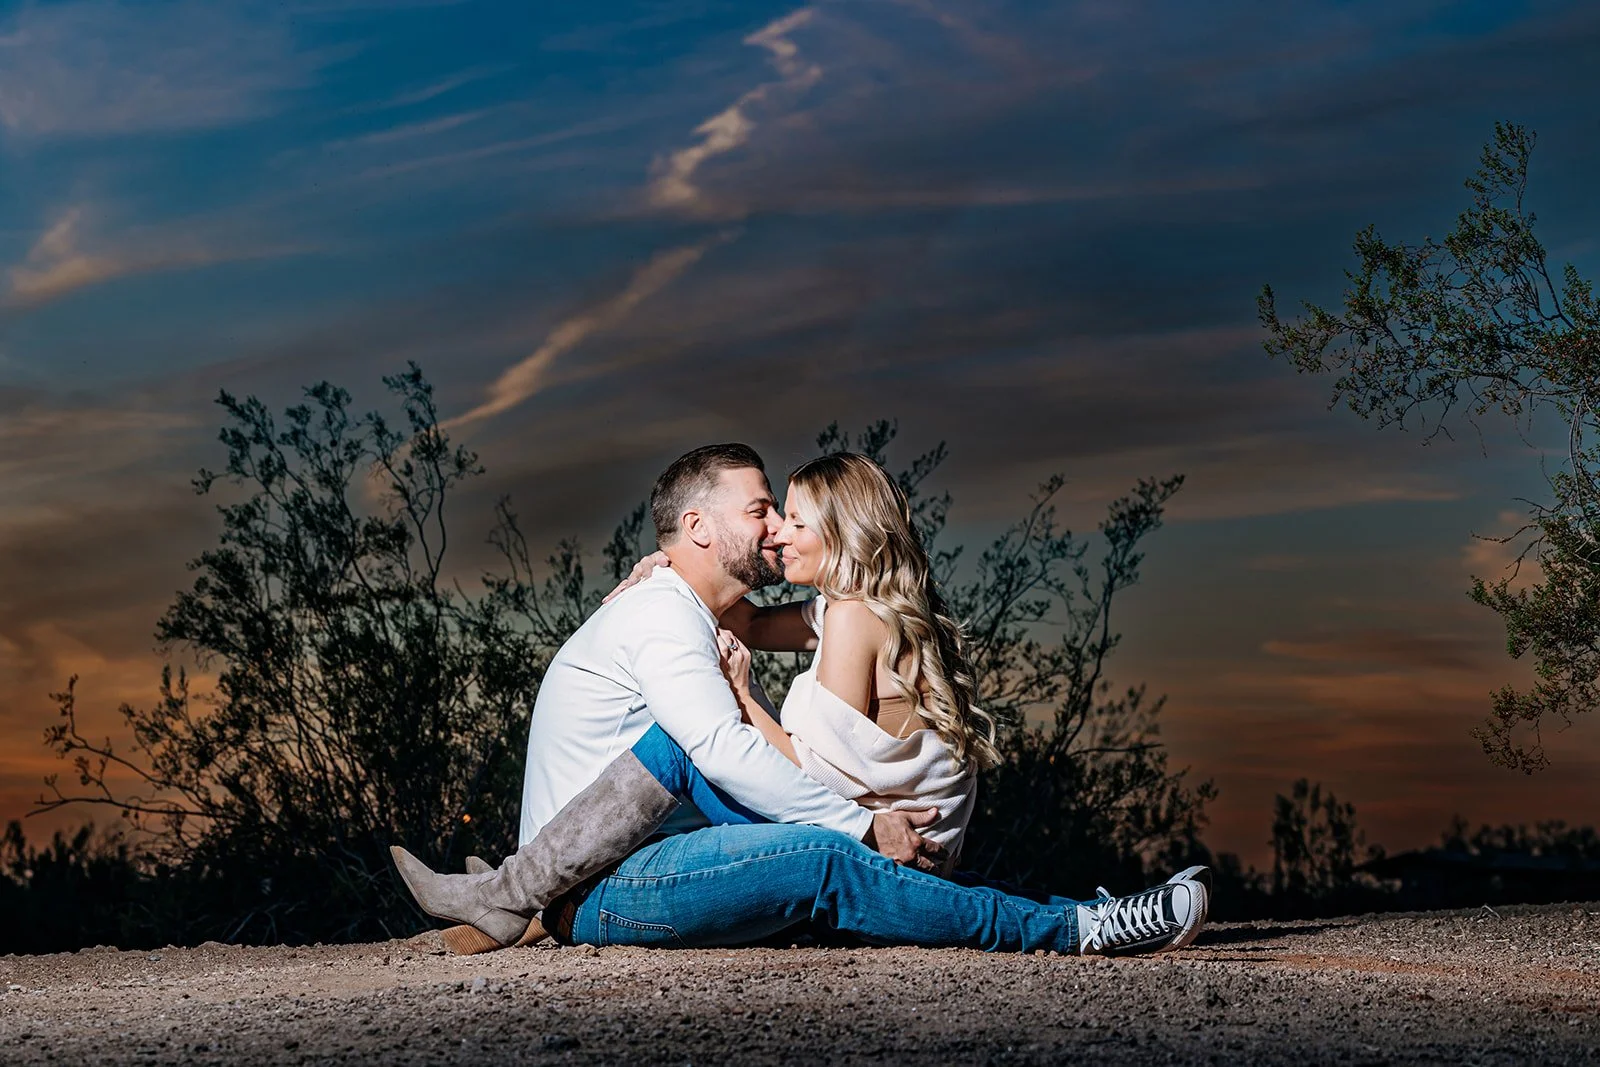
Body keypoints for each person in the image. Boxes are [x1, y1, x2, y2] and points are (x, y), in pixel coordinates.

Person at [391, 444, 1208, 957]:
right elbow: (724, 746)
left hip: (629, 860)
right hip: (608, 881)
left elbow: (738, 661)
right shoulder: (667, 615)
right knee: (809, 842)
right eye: (761, 510)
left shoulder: (739, 610)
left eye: (787, 514)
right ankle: (1076, 929)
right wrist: (856, 818)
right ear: (701, 525)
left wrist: (677, 580)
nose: (776, 527)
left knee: (773, 810)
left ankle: (508, 895)